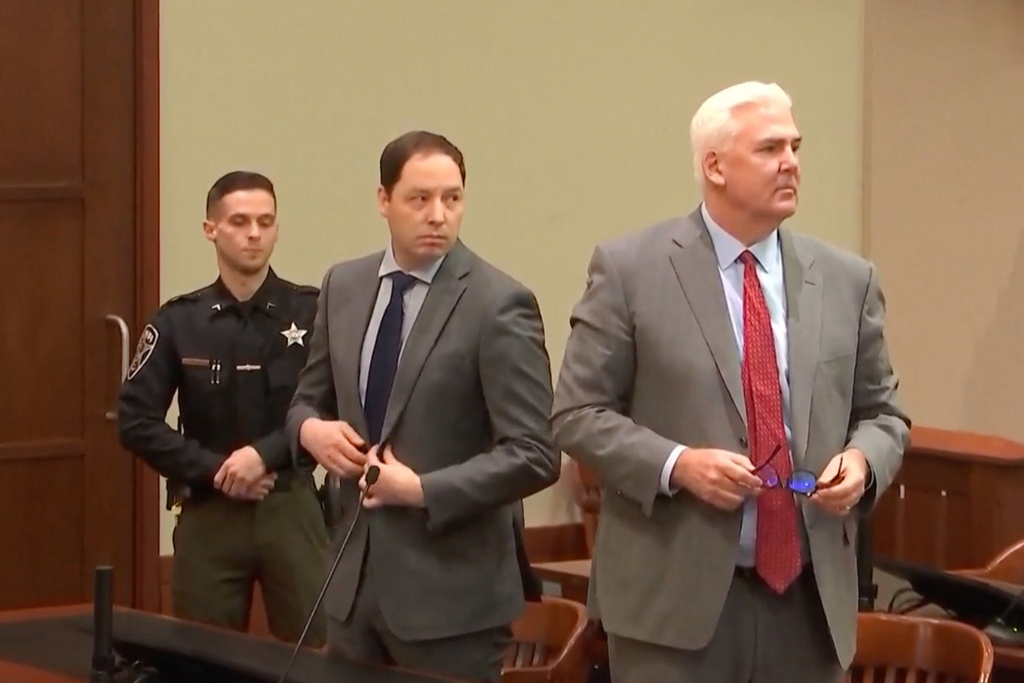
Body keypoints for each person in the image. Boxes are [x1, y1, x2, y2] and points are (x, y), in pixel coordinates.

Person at [550, 81, 910, 683]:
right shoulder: (631, 270)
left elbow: (884, 413)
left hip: (808, 605)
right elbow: (576, 414)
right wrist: (678, 465)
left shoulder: (847, 280)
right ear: (715, 166)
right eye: (770, 149)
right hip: (673, 607)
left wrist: (863, 462)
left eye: (795, 147)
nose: (791, 163)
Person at [287, 130, 559, 683]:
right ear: (383, 200)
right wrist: (310, 431)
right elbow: (306, 400)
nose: (438, 215)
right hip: (352, 588)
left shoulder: (498, 304)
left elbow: (536, 454)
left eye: (452, 198)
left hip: (451, 601)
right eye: (420, 199)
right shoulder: (344, 285)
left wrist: (421, 490)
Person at [117, 171, 328, 646]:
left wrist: (264, 456)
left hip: (290, 503)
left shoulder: (312, 313)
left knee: (315, 654)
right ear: (210, 229)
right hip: (209, 507)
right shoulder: (179, 321)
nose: (254, 234)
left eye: (265, 222)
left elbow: (334, 406)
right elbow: (135, 421)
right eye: (239, 222)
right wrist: (217, 470)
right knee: (202, 655)